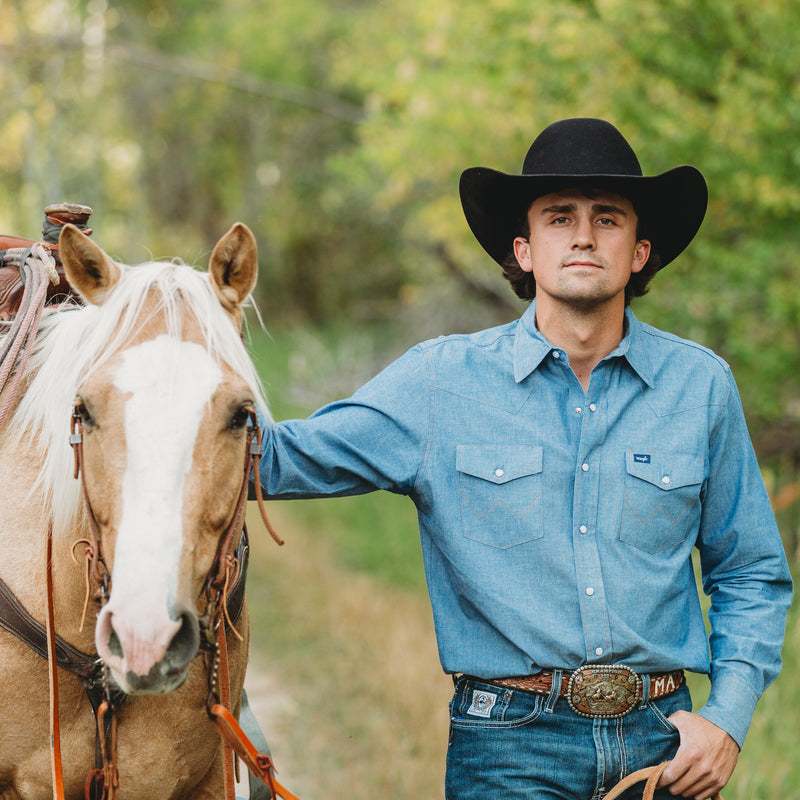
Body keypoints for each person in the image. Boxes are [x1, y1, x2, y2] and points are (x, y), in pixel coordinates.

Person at [257, 118, 792, 799]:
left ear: (639, 252)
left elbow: (750, 571)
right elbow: (280, 460)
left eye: (608, 218)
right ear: (525, 250)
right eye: (559, 217)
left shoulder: (702, 387)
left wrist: (728, 719)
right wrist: (148, 370)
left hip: (664, 743)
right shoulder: (441, 383)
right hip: (508, 742)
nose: (584, 235)